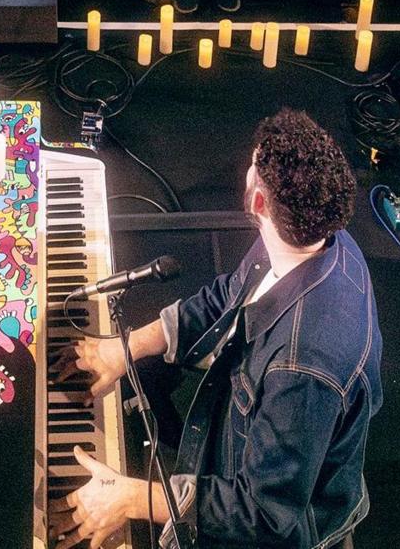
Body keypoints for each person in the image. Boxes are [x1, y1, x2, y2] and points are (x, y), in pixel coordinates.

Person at [67, 108, 382, 547]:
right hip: (261, 445)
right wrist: (126, 348)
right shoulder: (315, 235)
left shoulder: (303, 368)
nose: (246, 171)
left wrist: (132, 499)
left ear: (258, 203)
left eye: (251, 167)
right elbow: (228, 297)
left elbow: (264, 514)